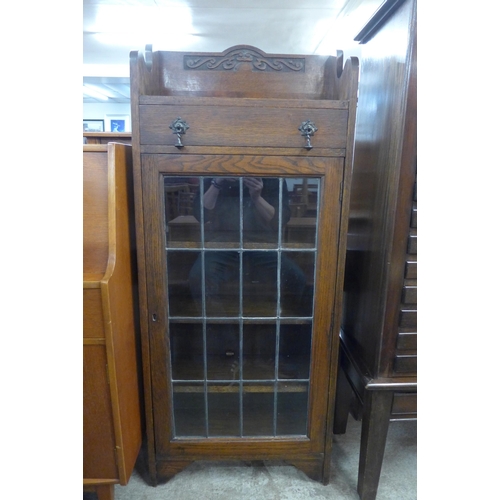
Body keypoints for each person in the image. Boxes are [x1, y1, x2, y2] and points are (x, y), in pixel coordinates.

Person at [188, 176, 306, 320]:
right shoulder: (214, 173)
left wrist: (256, 197)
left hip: (262, 244)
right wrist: (217, 183)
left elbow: (280, 219)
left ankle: (284, 328)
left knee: (296, 278)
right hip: (222, 244)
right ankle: (218, 331)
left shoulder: (272, 176)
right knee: (199, 277)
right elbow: (200, 214)